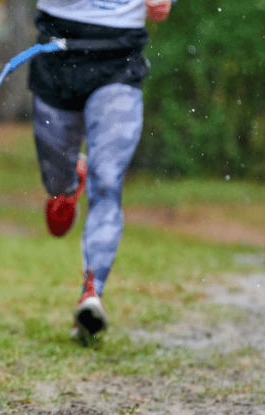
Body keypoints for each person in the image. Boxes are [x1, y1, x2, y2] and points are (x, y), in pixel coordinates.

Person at [27, 0, 173, 344]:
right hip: (56, 52)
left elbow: (161, 8)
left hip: (118, 62)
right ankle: (66, 185)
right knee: (55, 185)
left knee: (107, 181)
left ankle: (91, 292)